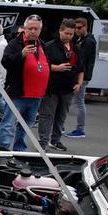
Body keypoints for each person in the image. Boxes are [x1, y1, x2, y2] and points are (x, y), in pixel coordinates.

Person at [0, 15, 50, 151]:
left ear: (40, 29)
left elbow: (45, 65)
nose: (33, 31)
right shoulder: (15, 43)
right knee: (9, 123)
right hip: (18, 93)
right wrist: (21, 55)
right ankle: (4, 150)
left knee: (27, 125)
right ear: (25, 28)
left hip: (36, 95)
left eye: (36, 29)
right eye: (30, 28)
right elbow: (5, 62)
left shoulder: (42, 44)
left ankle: (19, 149)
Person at [37, 19, 83, 151]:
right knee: (47, 115)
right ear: (60, 31)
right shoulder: (50, 46)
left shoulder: (76, 49)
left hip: (68, 88)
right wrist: (56, 68)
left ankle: (55, 140)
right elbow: (42, 65)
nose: (68, 36)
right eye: (66, 33)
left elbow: (81, 68)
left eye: (71, 34)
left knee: (61, 115)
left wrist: (79, 83)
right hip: (52, 87)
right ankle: (43, 141)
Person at [66, 18, 96, 138]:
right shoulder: (81, 40)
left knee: (79, 102)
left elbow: (81, 60)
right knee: (73, 101)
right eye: (75, 28)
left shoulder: (88, 42)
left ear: (85, 27)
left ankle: (80, 129)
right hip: (80, 74)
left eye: (79, 28)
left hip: (82, 75)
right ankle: (68, 126)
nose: (76, 30)